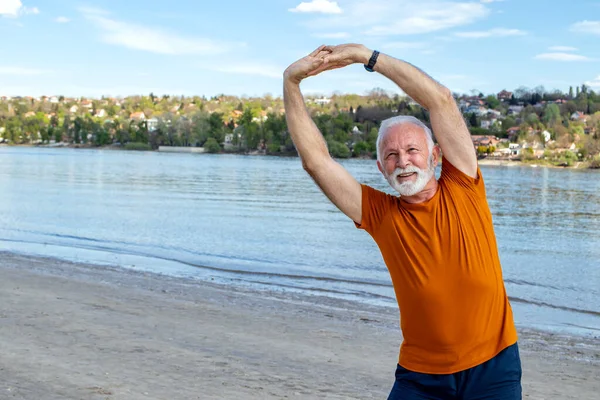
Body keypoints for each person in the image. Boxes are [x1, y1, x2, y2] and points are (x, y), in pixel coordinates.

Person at [283, 44, 521, 400]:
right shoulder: (380, 214)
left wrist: (367, 57)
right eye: (391, 155)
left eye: (412, 150)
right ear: (381, 168)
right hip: (421, 376)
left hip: (494, 365)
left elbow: (439, 99)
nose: (403, 161)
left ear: (435, 155)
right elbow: (316, 162)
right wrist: (291, 82)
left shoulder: (464, 183)